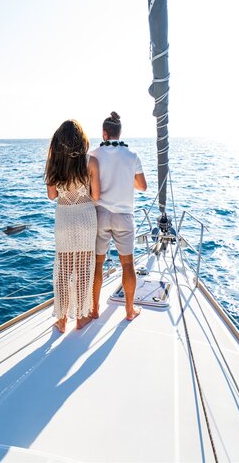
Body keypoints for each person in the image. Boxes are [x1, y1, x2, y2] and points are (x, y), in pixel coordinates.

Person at [45, 120, 100, 333]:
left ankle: (61, 319)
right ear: (81, 140)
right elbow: (96, 195)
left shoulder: (53, 163)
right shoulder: (91, 162)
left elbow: (52, 196)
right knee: (84, 268)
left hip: (64, 219)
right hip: (86, 217)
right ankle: (81, 316)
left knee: (64, 269)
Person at [91, 112, 147, 321]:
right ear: (119, 133)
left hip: (100, 215)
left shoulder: (94, 154)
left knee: (97, 264)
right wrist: (125, 180)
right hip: (124, 216)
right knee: (127, 265)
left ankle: (94, 309)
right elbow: (142, 186)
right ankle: (130, 311)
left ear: (104, 133)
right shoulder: (132, 155)